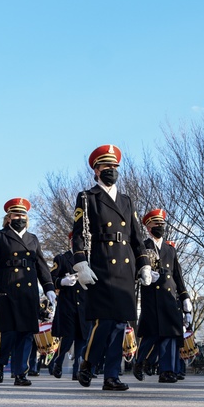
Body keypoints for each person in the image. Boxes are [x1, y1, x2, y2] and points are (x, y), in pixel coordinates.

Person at [71, 145, 149, 392]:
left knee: (119, 325)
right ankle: (88, 362)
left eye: (114, 167)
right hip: (101, 263)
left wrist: (144, 262)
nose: (112, 171)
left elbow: (137, 236)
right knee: (103, 322)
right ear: (96, 170)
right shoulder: (87, 197)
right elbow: (79, 233)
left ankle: (112, 376)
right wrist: (80, 261)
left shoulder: (127, 200)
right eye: (106, 167)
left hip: (125, 265)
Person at [0, 198, 56, 386]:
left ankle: (20, 373)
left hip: (28, 291)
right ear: (8, 217)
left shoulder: (33, 238)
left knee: (26, 333)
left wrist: (48, 287)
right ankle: (0, 363)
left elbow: (41, 265)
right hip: (7, 289)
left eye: (23, 215)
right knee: (8, 333)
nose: (20, 217)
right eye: (16, 214)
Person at [133, 209, 191, 383]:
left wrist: (185, 297)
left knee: (171, 334)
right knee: (151, 335)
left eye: (162, 224)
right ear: (148, 226)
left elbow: (178, 276)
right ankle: (140, 361)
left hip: (170, 297)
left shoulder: (170, 249)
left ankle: (167, 371)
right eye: (156, 224)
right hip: (153, 297)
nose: (160, 227)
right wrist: (144, 276)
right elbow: (135, 271)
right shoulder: (142, 246)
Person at [49, 233, 90, 379]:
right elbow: (51, 278)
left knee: (82, 338)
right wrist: (62, 281)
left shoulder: (89, 260)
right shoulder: (62, 258)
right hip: (68, 303)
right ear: (71, 242)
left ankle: (76, 371)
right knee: (68, 337)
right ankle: (58, 362)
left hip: (85, 305)